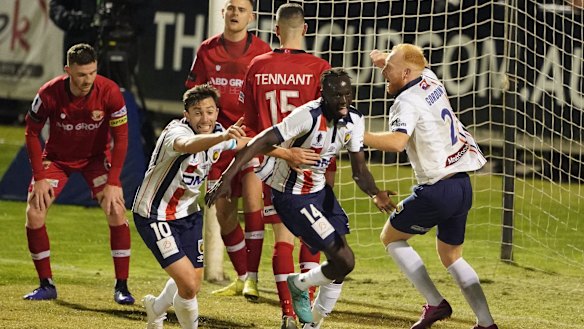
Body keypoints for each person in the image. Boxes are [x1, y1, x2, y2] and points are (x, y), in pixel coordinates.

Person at [206, 68, 396, 326]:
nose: (343, 100)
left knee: (339, 267)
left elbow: (359, 171)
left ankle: (311, 324)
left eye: (347, 94)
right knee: (344, 260)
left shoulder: (354, 120)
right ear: (323, 95)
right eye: (336, 94)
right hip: (292, 197)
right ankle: (298, 284)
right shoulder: (305, 116)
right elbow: (257, 143)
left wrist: (376, 193)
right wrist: (227, 178)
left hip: (320, 194)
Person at [134, 84, 314, 329]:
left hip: (187, 214)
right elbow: (187, 145)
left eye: (209, 111)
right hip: (154, 215)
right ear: (186, 114)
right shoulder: (176, 132)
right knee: (188, 285)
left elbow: (250, 144)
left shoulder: (220, 133)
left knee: (192, 283)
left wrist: (286, 153)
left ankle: (156, 309)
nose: (204, 118)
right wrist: (222, 138)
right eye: (197, 112)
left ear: (217, 112)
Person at [364, 43, 498, 329]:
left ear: (407, 72)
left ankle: (436, 304)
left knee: (390, 237)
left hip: (437, 190)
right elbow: (406, 66)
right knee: (451, 255)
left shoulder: (405, 102)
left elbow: (398, 142)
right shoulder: (430, 77)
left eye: (389, 69)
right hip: (462, 184)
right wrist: (384, 62)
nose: (385, 74)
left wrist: (360, 135)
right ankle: (486, 323)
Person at [239, 4, 334, 328]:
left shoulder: (257, 66)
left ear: (275, 31)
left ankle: (288, 314)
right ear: (305, 30)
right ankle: (305, 312)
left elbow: (252, 126)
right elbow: (329, 124)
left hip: (273, 164)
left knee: (283, 238)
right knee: (313, 238)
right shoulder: (320, 68)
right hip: (311, 164)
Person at [23, 43, 134, 304]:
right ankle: (46, 284)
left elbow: (122, 138)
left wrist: (114, 181)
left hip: (95, 160)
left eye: (92, 73)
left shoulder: (110, 92)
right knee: (34, 212)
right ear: (67, 71)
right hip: (57, 160)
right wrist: (39, 177)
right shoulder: (48, 93)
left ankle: (122, 286)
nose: (88, 80)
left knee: (116, 209)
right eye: (81, 74)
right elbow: (31, 133)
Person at [185, 0, 272, 302]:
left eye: (241, 9)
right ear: (223, 13)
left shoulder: (263, 53)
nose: (235, 13)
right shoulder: (207, 51)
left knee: (253, 203)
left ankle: (255, 280)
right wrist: (202, 132)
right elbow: (192, 97)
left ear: (252, 16)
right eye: (231, 8)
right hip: (218, 143)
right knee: (223, 212)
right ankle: (242, 277)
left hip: (251, 139)